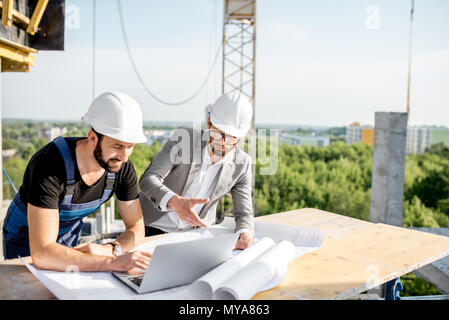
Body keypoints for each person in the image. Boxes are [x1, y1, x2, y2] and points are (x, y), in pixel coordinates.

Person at [2, 92, 151, 273]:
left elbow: (137, 228)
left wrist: (111, 249)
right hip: (25, 237)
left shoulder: (120, 167)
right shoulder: (49, 165)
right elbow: (42, 252)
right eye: (117, 146)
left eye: (130, 147)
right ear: (93, 138)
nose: (124, 157)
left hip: (67, 235)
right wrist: (113, 262)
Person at [139, 92, 255, 249]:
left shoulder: (243, 163)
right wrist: (175, 202)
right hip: (152, 230)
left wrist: (245, 232)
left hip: (195, 236)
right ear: (208, 123)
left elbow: (244, 213)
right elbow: (148, 178)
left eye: (231, 137)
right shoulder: (183, 139)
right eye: (218, 133)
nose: (223, 143)